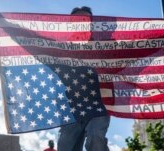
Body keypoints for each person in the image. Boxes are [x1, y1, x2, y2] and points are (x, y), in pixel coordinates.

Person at [57, 6, 110, 151]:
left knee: (95, 139)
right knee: (65, 146)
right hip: (71, 108)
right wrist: (5, 25)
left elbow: (134, 52)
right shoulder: (61, 50)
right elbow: (34, 45)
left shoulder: (103, 48)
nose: (81, 24)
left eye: (85, 21)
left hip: (98, 106)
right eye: (76, 21)